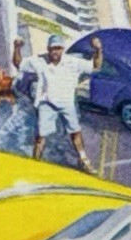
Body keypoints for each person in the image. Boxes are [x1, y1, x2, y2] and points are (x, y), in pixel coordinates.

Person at [13, 32, 101, 173]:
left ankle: (84, 161)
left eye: (58, 48)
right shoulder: (39, 61)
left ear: (62, 49)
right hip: (47, 103)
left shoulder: (72, 62)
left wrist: (98, 50)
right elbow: (19, 64)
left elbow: (95, 66)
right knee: (41, 137)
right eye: (53, 48)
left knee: (75, 133)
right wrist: (17, 47)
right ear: (48, 49)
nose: (55, 52)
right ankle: (34, 165)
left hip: (66, 103)